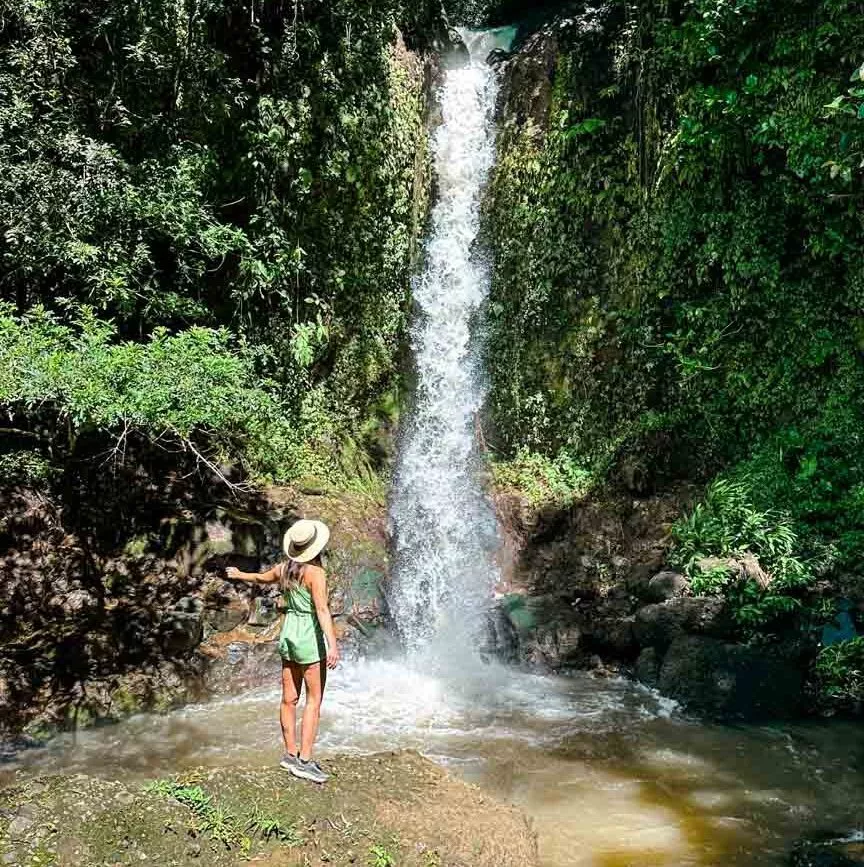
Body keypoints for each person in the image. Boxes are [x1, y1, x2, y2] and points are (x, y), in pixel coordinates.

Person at [226, 519, 339, 784]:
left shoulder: (284, 568)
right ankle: (305, 761)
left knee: (289, 698)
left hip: (288, 632)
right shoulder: (316, 573)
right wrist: (332, 644)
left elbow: (261, 578)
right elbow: (322, 610)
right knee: (313, 700)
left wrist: (239, 574)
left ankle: (289, 755)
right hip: (308, 636)